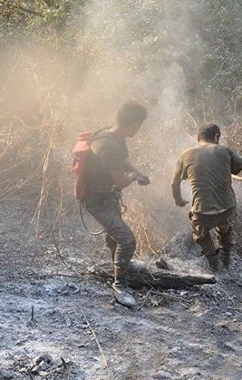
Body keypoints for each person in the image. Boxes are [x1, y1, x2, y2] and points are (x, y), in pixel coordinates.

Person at [83, 100, 150, 308]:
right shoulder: (109, 147)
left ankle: (122, 265)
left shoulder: (114, 135)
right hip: (97, 201)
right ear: (134, 123)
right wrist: (132, 176)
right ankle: (120, 285)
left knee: (115, 235)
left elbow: (124, 161)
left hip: (107, 196)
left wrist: (137, 173)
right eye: (140, 124)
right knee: (127, 240)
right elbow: (121, 180)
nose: (139, 128)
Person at [171, 123, 242, 273]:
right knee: (224, 227)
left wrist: (178, 200)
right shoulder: (224, 151)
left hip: (202, 212)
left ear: (199, 138)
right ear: (216, 137)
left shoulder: (186, 155)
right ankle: (226, 259)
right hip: (227, 209)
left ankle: (214, 263)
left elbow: (174, 183)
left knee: (200, 233)